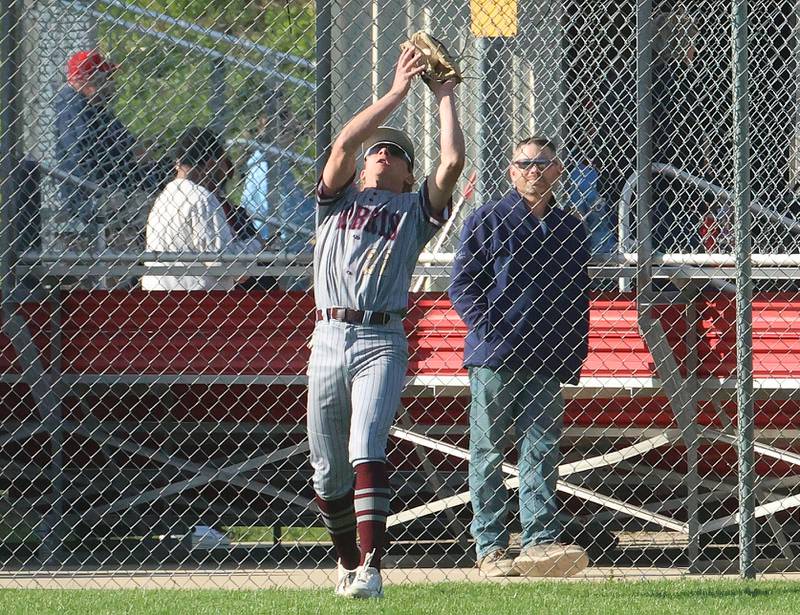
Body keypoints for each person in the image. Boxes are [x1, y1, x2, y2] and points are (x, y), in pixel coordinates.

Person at [307, 45, 464, 599]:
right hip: (327, 335)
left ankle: (371, 570)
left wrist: (444, 97)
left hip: (380, 337)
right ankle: (349, 565)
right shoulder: (336, 200)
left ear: (405, 172)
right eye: (379, 151)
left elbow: (450, 165)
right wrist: (396, 94)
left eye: (394, 153)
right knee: (327, 472)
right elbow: (343, 143)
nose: (380, 156)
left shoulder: (411, 211)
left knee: (365, 447)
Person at [449, 136, 590, 578]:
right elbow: (462, 284)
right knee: (488, 450)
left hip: (546, 357)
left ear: (558, 170)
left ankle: (539, 544)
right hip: (496, 354)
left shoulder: (571, 229)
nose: (534, 170)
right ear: (511, 171)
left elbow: (576, 296)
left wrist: (572, 353)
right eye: (524, 163)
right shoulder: (488, 218)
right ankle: (490, 548)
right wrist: (489, 328)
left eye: (543, 163)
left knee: (541, 449)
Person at [53, 50, 167, 226]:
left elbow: (126, 145)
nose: (113, 84)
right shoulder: (73, 105)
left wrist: (138, 150)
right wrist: (129, 156)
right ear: (90, 81)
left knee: (167, 170)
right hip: (94, 196)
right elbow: (83, 156)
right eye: (108, 78)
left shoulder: (96, 108)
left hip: (118, 184)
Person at [141, 127, 262, 291]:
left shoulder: (163, 198)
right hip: (199, 303)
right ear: (212, 164)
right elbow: (223, 265)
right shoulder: (202, 198)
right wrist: (255, 244)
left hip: (159, 300)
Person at [241, 103, 314, 290]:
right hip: (274, 249)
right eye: (291, 130)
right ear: (279, 132)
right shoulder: (267, 168)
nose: (295, 136)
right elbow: (292, 214)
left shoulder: (274, 164)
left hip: (281, 245)